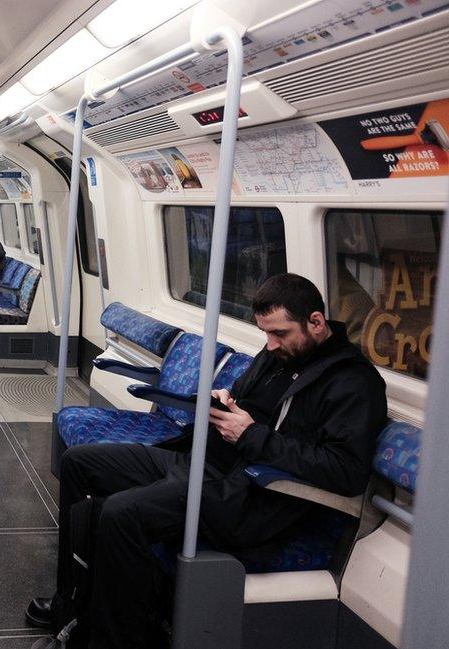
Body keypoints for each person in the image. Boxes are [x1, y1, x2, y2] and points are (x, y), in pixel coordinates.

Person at [26, 273, 388, 648]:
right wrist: (225, 400)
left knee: (120, 513)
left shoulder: (354, 384)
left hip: (247, 494)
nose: (270, 343)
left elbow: (345, 471)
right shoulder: (276, 355)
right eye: (265, 333)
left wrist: (250, 435)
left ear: (316, 322)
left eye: (279, 333)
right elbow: (248, 403)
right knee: (79, 463)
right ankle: (69, 604)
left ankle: (112, 641)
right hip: (201, 461)